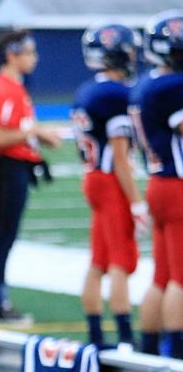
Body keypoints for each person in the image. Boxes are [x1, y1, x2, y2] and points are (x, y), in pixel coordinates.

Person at [72, 24, 146, 347]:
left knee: (99, 259)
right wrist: (136, 202)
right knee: (119, 260)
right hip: (109, 179)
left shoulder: (86, 91)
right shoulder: (116, 95)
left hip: (91, 177)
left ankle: (95, 333)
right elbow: (119, 156)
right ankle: (126, 335)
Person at [0, 30, 63, 324]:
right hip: (10, 168)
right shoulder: (4, 88)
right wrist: (36, 132)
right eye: (28, 52)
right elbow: (1, 136)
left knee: (7, 236)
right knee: (5, 237)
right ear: (12, 55)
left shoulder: (15, 86)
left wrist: (39, 136)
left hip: (18, 167)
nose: (34, 58)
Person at [131, 10, 183, 358]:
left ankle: (148, 351)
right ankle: (177, 356)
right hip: (176, 185)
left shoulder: (145, 84)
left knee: (162, 276)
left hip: (157, 183)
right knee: (180, 279)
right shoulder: (172, 87)